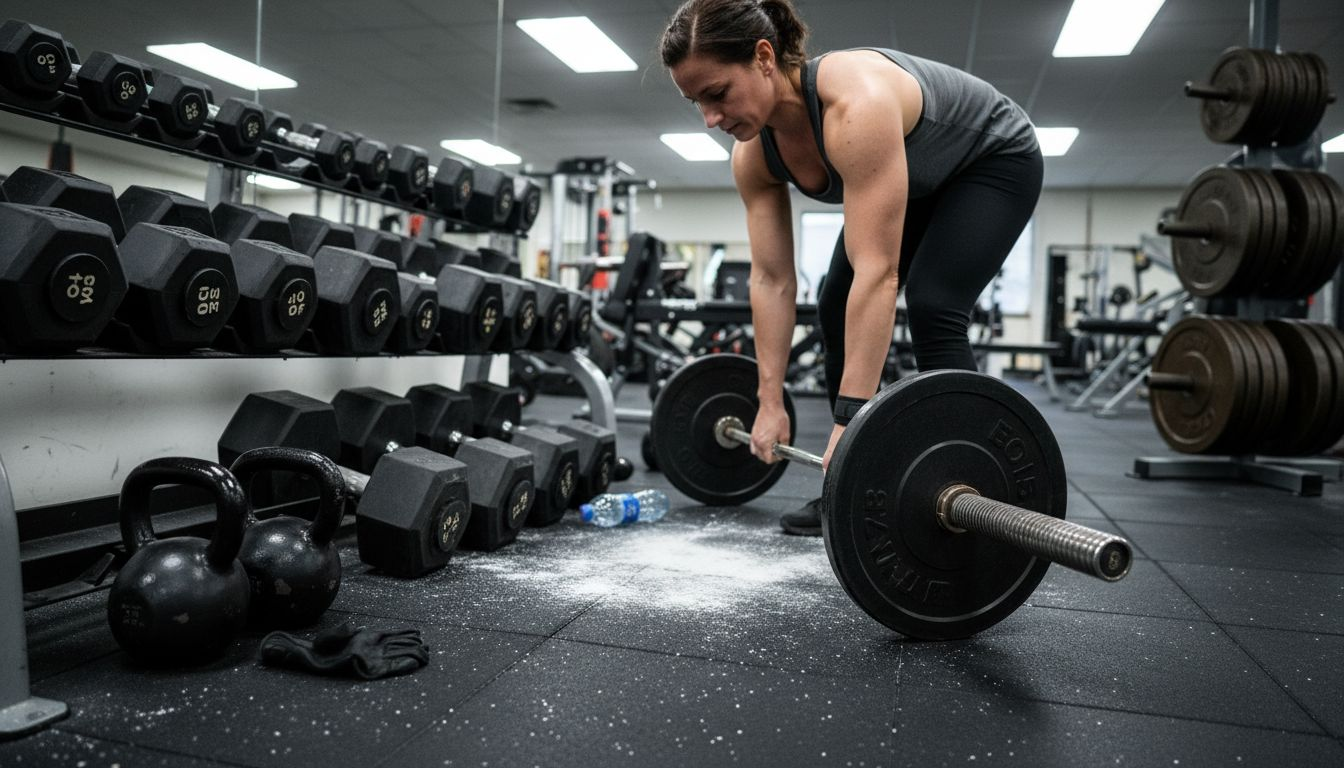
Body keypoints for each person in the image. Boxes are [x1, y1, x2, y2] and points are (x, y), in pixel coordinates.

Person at [660, 0, 1044, 535]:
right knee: (834, 300)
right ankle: (850, 486)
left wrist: (846, 423)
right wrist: (770, 401)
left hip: (993, 160)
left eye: (718, 93)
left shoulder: (852, 104)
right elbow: (771, 279)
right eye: (696, 102)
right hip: (923, 177)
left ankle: (975, 480)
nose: (711, 118)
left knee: (934, 304)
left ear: (764, 57)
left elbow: (879, 272)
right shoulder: (754, 156)